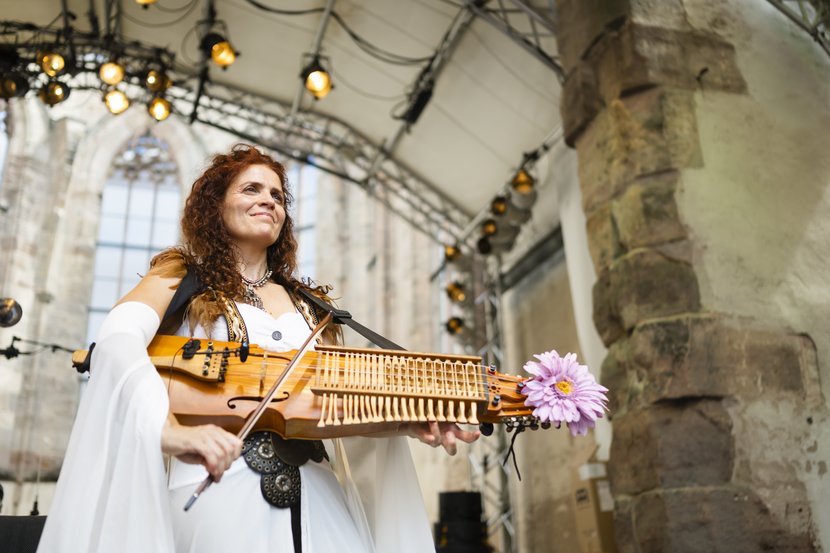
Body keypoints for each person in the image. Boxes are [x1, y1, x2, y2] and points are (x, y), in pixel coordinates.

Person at [36, 144, 479, 553]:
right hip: (220, 494)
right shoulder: (181, 275)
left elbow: (330, 409)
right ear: (216, 205)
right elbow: (117, 339)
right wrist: (163, 427)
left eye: (278, 195)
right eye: (251, 188)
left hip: (321, 500)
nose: (269, 200)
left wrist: (403, 422)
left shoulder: (312, 307)